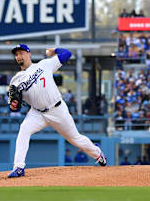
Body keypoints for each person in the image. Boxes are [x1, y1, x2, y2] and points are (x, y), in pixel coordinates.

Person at [6, 44, 106, 178]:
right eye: (16, 54)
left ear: (29, 54)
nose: (19, 56)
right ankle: (18, 167)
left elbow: (67, 54)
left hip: (57, 109)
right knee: (24, 129)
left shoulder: (44, 65)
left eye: (21, 53)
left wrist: (55, 50)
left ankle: (97, 153)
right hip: (37, 113)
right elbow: (15, 106)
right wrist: (14, 104)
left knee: (76, 139)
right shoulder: (15, 80)